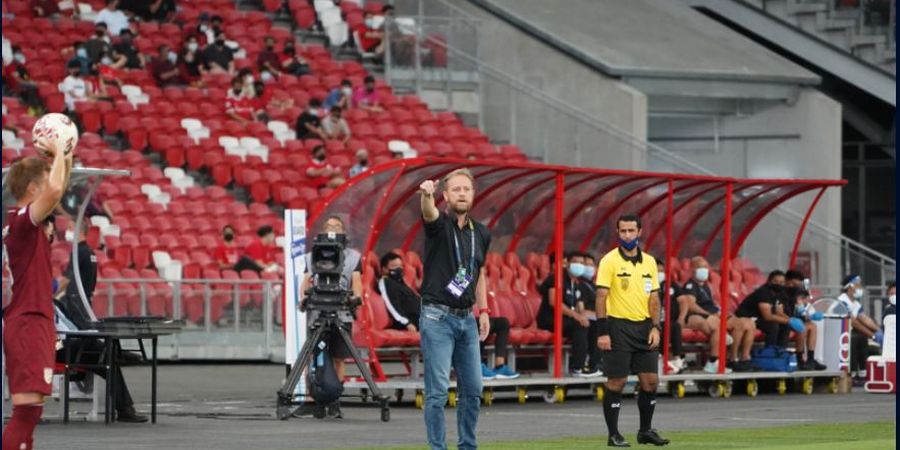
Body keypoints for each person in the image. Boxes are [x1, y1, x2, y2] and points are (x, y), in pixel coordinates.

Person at [2, 139, 74, 449]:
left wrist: (65, 156)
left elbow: (59, 187)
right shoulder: (22, 222)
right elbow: (55, 191)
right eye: (44, 182)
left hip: (34, 318)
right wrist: (59, 152)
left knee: (31, 411)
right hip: (28, 320)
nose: (51, 190)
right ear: (33, 189)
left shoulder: (24, 223)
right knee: (26, 412)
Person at [418, 169, 491, 450]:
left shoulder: (481, 233)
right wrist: (427, 196)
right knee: (437, 393)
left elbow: (477, 273)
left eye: (467, 189)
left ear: (473, 195)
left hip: (467, 319)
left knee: (473, 390)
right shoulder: (439, 224)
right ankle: (438, 448)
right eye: (456, 189)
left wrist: (483, 310)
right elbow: (428, 212)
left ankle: (467, 446)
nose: (462, 193)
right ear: (445, 195)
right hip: (438, 317)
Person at [595, 214, 669, 447]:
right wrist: (603, 331)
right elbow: (601, 296)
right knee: (617, 381)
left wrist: (656, 327)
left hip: (645, 327)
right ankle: (613, 434)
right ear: (618, 233)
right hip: (617, 327)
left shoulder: (649, 262)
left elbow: (654, 298)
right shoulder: (609, 261)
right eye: (623, 231)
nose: (627, 235)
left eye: (631, 231)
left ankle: (645, 431)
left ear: (640, 232)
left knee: (650, 382)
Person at [294, 216, 363, 419]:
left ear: (343, 231)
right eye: (328, 226)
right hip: (317, 311)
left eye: (337, 226)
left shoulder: (353, 256)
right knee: (312, 357)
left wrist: (355, 298)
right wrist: (304, 297)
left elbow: (356, 281)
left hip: (341, 311)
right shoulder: (311, 256)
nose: (332, 229)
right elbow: (306, 281)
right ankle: (311, 399)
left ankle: (334, 401)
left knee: (339, 358)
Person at [53, 301, 148, 422]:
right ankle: (118, 354)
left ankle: (125, 410)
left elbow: (74, 325)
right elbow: (48, 338)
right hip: (57, 347)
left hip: (74, 342)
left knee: (107, 361)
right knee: (92, 343)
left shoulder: (58, 304)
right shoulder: (38, 307)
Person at [680, 256, 757, 373]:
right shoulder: (690, 286)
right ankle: (728, 359)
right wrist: (709, 313)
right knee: (729, 326)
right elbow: (691, 305)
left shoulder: (705, 286)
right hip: (703, 316)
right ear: (692, 269)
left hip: (715, 313)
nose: (704, 270)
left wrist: (720, 312)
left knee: (746, 323)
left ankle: (742, 358)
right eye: (700, 267)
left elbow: (712, 305)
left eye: (706, 267)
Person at [536, 252, 595, 377]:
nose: (579, 265)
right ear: (567, 264)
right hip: (550, 319)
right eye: (576, 262)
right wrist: (576, 316)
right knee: (580, 325)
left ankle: (593, 365)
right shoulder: (556, 278)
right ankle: (577, 367)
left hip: (567, 320)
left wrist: (588, 316)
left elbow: (580, 306)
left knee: (594, 325)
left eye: (581, 263)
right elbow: (554, 302)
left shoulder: (577, 283)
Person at [837, 274, 881, 386]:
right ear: (850, 286)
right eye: (857, 285)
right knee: (856, 337)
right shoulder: (842, 300)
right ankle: (851, 374)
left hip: (849, 332)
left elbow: (864, 319)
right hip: (839, 332)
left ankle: (862, 373)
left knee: (861, 337)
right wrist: (873, 335)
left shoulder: (856, 304)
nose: (860, 287)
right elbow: (854, 322)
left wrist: (879, 331)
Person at [54, 221, 98, 330]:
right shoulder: (90, 252)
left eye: (70, 228)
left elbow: (68, 278)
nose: (67, 231)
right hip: (86, 299)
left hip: (77, 301)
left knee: (79, 333)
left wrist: (53, 294)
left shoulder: (79, 252)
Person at [784, 270, 827, 371]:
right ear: (787, 281)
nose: (794, 286)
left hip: (795, 319)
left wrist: (811, 316)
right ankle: (800, 359)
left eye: (797, 284)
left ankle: (811, 359)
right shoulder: (783, 293)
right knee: (802, 327)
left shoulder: (798, 293)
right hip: (784, 320)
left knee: (812, 326)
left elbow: (801, 310)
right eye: (793, 284)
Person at [378, 252, 422, 331]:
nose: (399, 269)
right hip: (413, 322)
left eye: (400, 266)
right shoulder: (386, 282)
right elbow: (391, 304)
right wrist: (407, 323)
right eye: (395, 267)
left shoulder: (399, 281)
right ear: (384, 269)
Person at [656, 260, 685, 374]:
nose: (660, 273)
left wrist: (681, 317)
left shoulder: (670, 285)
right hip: (651, 320)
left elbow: (684, 301)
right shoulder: (646, 285)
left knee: (675, 326)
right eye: (657, 271)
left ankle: (677, 359)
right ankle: (661, 359)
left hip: (669, 320)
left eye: (662, 271)